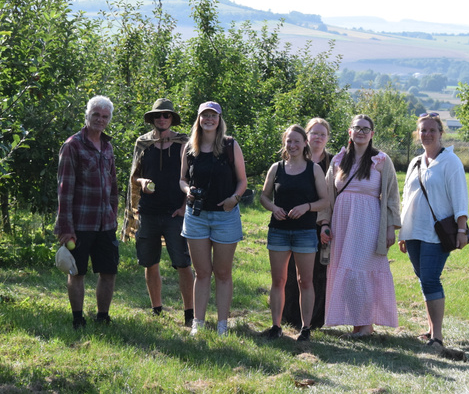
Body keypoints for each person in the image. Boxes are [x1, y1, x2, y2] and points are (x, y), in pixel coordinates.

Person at [318, 114, 401, 337]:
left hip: (369, 223)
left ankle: (366, 325)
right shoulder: (338, 160)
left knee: (363, 272)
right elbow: (327, 194)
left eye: (366, 129)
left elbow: (392, 196)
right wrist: (325, 223)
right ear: (350, 132)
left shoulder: (381, 160)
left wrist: (390, 228)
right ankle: (358, 323)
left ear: (372, 134)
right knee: (347, 273)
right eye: (357, 128)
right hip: (342, 223)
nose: (361, 132)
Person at [398, 112, 469, 351]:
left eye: (432, 130)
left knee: (430, 279)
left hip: (436, 234)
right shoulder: (415, 162)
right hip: (413, 231)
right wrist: (403, 232)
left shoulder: (451, 162)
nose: (427, 134)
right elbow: (406, 198)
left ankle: (437, 337)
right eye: (423, 130)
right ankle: (430, 329)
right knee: (423, 279)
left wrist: (461, 229)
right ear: (417, 134)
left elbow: (460, 197)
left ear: (440, 133)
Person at [122, 98, 195, 326]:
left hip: (175, 213)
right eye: (157, 115)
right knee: (150, 262)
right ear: (152, 119)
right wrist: (142, 181)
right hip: (148, 213)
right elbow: (134, 176)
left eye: (166, 115)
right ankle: (157, 310)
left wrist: (184, 207)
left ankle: (190, 314)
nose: (162, 119)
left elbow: (192, 177)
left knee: (183, 263)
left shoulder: (184, 143)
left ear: (172, 118)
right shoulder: (143, 143)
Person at [180, 101, 247, 336]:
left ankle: (222, 325)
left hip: (225, 216)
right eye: (205, 115)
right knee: (201, 273)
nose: (209, 119)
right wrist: (187, 191)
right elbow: (182, 179)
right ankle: (197, 324)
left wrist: (234, 199)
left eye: (213, 115)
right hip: (196, 216)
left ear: (219, 120)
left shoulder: (230, 145)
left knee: (223, 273)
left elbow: (242, 181)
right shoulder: (190, 147)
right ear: (198, 119)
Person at [55, 95, 119, 330]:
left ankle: (103, 316)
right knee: (77, 272)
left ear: (109, 119)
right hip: (81, 223)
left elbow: (113, 186)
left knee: (108, 271)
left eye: (105, 116)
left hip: (105, 223)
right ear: (87, 116)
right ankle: (78, 318)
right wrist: (66, 227)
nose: (100, 120)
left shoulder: (108, 146)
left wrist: (113, 214)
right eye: (96, 115)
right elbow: (64, 190)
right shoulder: (72, 145)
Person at [259, 125, 328, 341]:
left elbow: (325, 201)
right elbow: (263, 197)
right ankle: (275, 326)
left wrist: (307, 207)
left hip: (305, 232)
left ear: (305, 143)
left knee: (304, 281)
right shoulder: (276, 168)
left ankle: (306, 328)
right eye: (289, 141)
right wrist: (273, 208)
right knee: (278, 280)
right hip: (278, 231)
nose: (292, 145)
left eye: (297, 141)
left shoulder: (314, 169)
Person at [282, 118, 333, 329]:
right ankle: (289, 317)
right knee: (291, 272)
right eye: (314, 133)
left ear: (327, 138)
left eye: (322, 134)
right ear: (306, 137)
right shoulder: (295, 158)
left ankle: (314, 320)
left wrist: (326, 223)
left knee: (318, 273)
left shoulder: (334, 162)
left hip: (323, 224)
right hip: (294, 222)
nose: (318, 137)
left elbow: (332, 195)